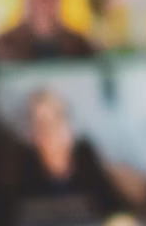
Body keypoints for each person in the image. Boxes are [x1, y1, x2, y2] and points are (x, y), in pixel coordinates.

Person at [14, 88, 130, 218]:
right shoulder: (22, 168)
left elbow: (114, 210)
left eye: (58, 118)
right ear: (30, 132)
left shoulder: (86, 156)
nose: (51, 131)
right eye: (41, 124)